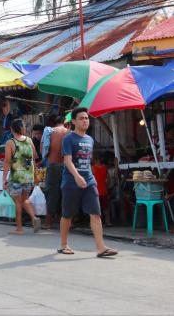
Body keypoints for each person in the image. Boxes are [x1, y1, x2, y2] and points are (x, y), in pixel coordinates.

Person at [58, 107, 117, 257]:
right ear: (73, 121)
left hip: (89, 181)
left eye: (87, 118)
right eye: (82, 118)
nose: (85, 121)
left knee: (96, 213)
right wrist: (77, 176)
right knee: (67, 215)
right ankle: (63, 245)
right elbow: (67, 161)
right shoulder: (68, 139)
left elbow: (86, 161)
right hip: (71, 182)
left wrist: (88, 177)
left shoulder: (89, 139)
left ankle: (101, 247)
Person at [2, 119, 41, 235]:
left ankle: (19, 229)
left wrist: (4, 178)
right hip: (28, 176)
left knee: (18, 202)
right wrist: (35, 175)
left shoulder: (11, 143)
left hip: (17, 177)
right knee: (25, 199)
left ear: (11, 129)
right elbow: (34, 158)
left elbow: (7, 161)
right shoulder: (29, 140)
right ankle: (34, 218)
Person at [43, 115, 68, 229]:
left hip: (53, 165)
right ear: (65, 122)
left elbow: (43, 151)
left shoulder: (50, 132)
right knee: (66, 193)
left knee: (51, 193)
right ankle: (66, 222)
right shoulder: (69, 132)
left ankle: (48, 222)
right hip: (67, 165)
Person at [92, 154, 112, 226]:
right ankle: (107, 221)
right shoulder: (104, 168)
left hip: (96, 190)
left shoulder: (93, 168)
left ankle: (99, 222)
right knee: (105, 207)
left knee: (97, 207)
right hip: (103, 190)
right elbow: (108, 180)